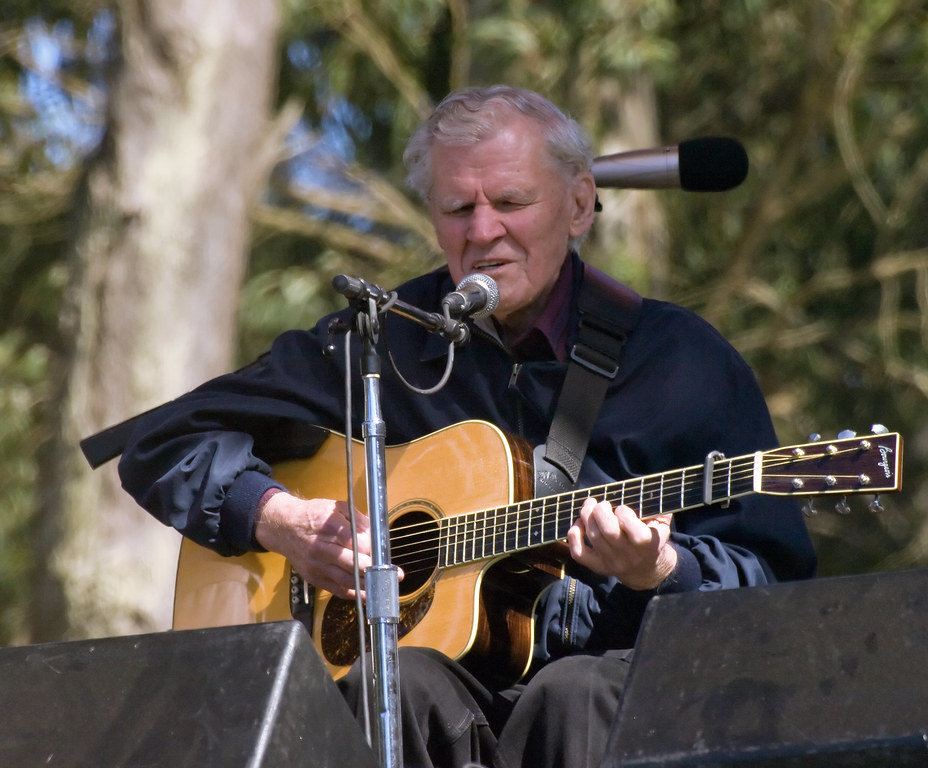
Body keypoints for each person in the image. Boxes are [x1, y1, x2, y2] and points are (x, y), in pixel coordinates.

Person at [118, 85, 817, 768]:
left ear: (578, 206)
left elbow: (772, 583)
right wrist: (277, 517)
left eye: (511, 202)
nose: (483, 231)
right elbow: (161, 443)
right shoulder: (377, 342)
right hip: (445, 711)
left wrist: (663, 568)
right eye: (459, 208)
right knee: (394, 682)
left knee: (573, 696)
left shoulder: (683, 361)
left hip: (606, 704)